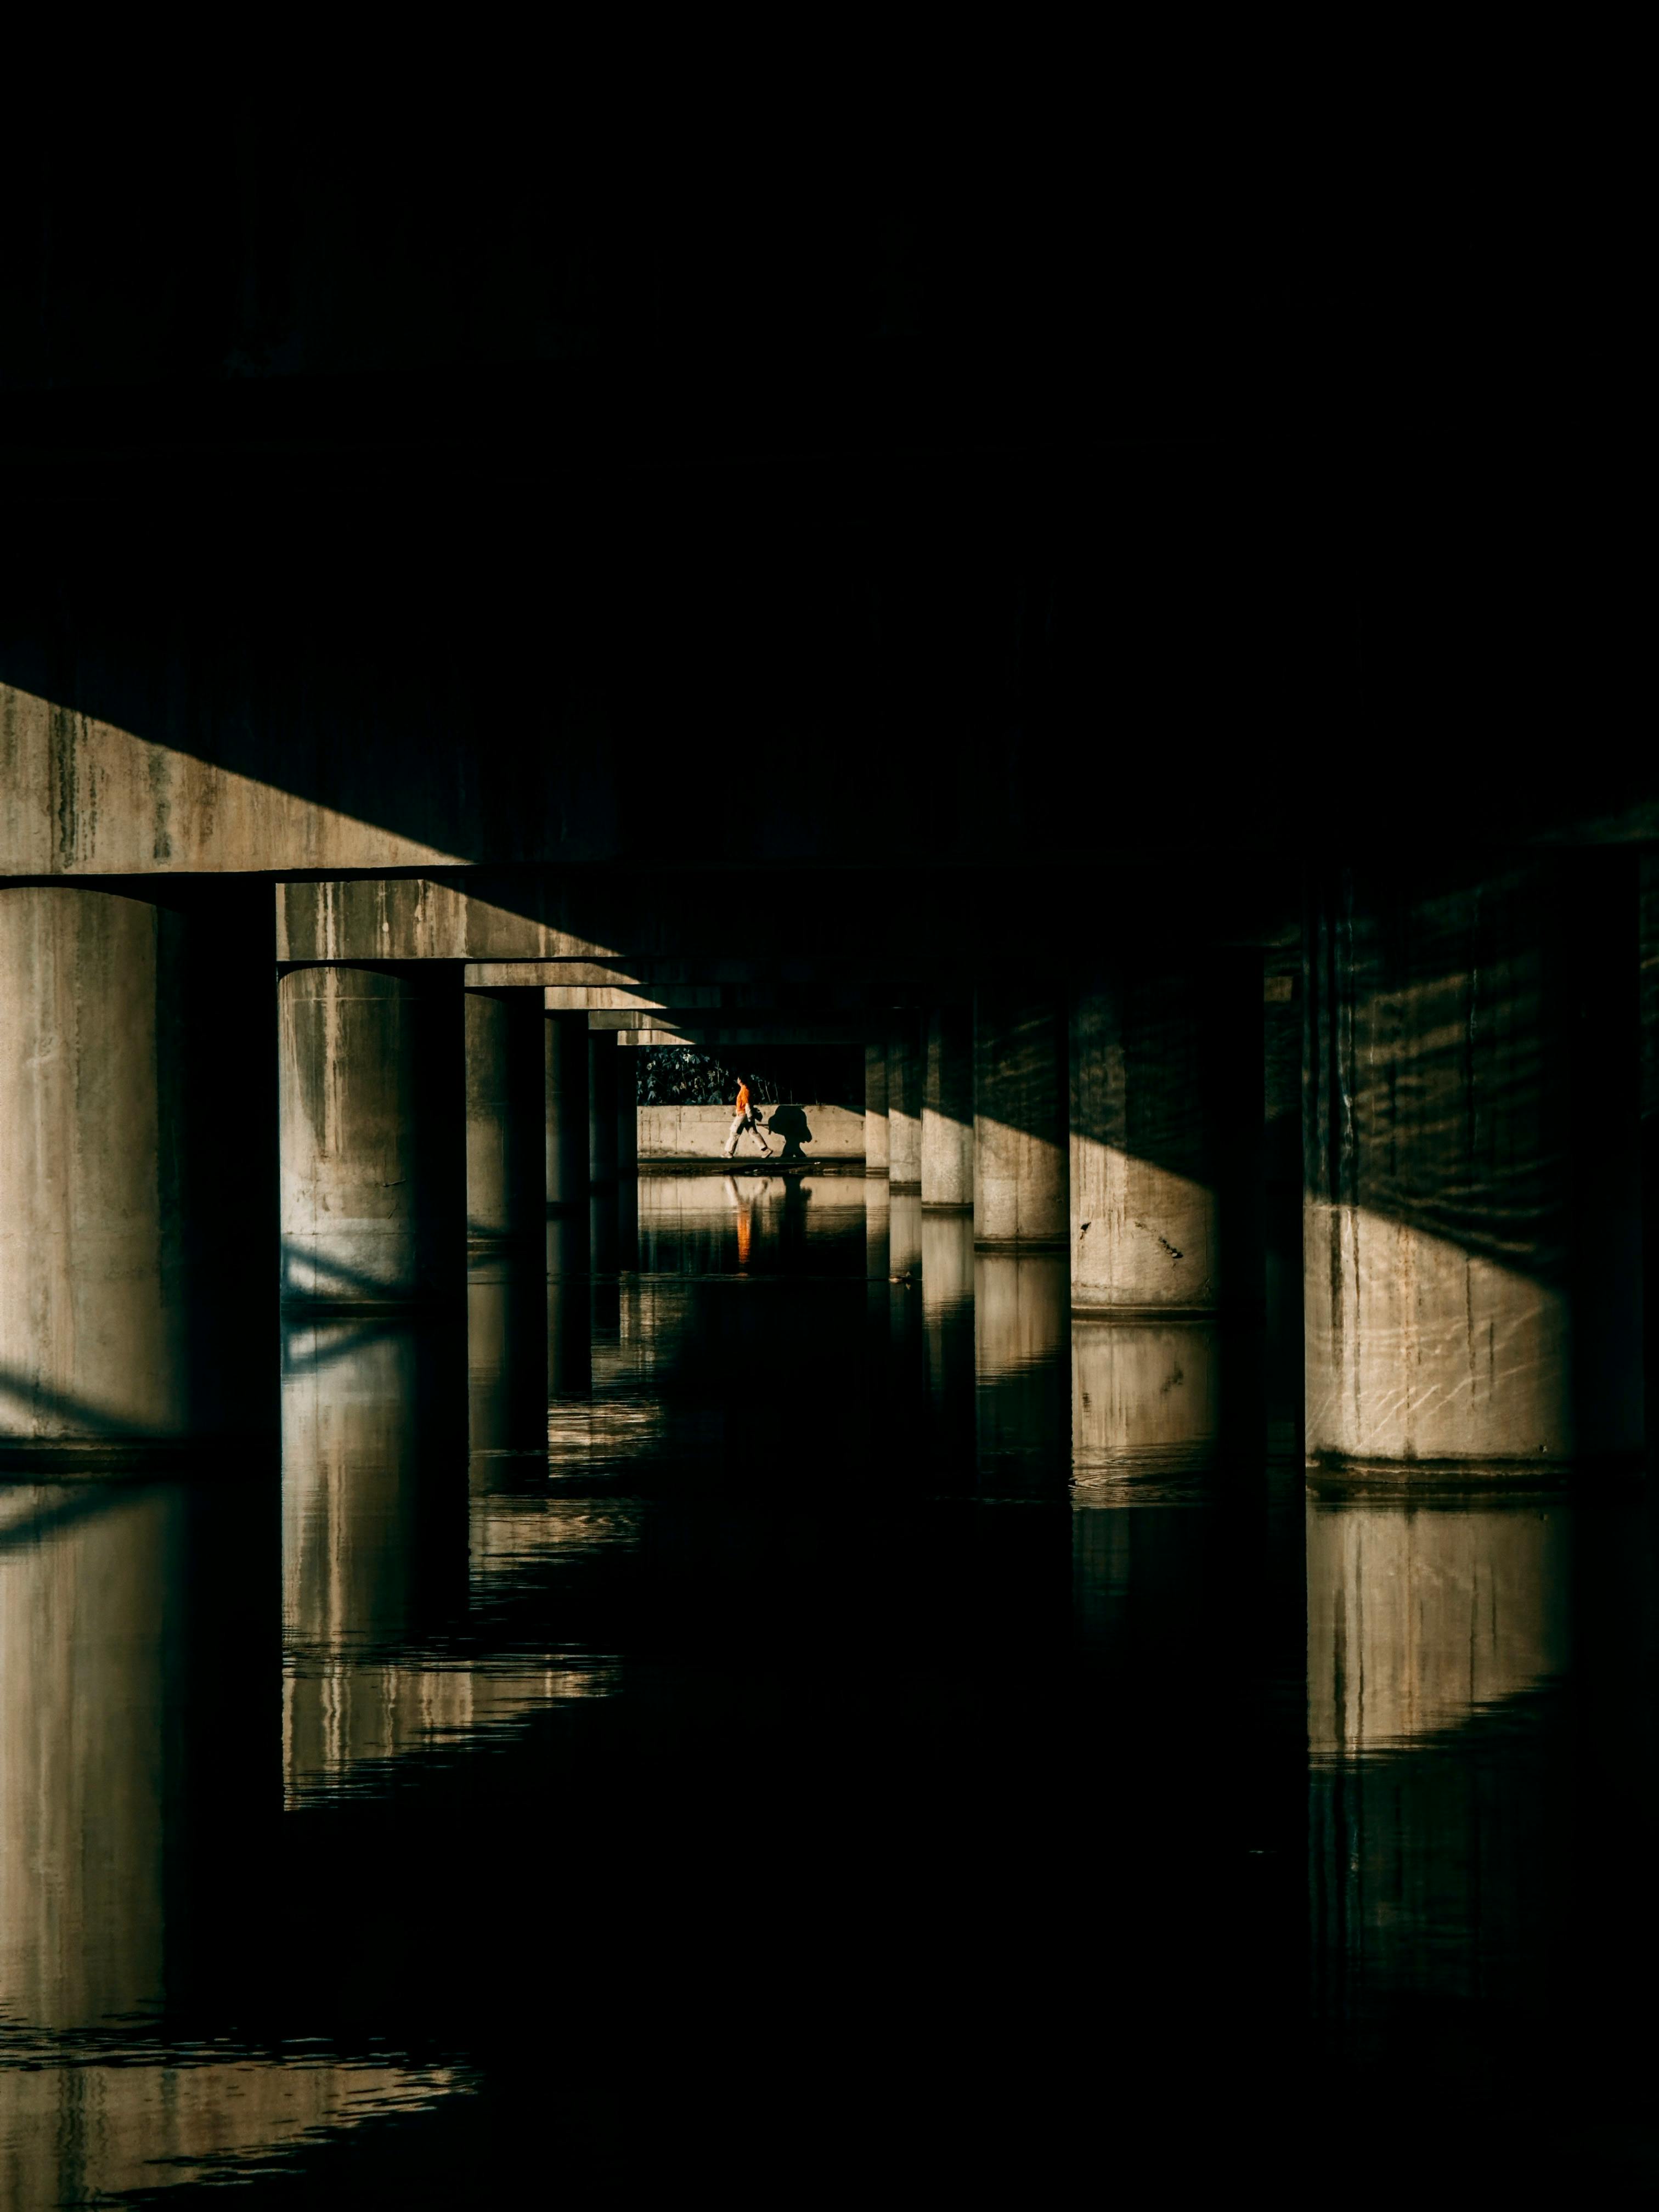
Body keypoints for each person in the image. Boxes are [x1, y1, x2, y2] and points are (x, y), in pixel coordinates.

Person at [722, 1075, 771, 1159]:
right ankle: (766, 1150)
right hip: (746, 1115)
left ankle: (729, 1152)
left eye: (738, 1078)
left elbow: (747, 1105)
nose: (737, 1080)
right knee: (753, 1133)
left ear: (741, 1080)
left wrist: (749, 1117)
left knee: (734, 1133)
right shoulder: (745, 1089)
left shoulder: (744, 1090)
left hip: (743, 1115)